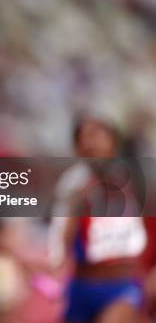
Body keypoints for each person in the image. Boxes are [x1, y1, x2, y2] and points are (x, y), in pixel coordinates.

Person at [50, 117, 147, 323]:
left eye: (99, 135)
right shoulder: (73, 185)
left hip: (120, 287)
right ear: (78, 149)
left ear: (113, 142)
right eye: (86, 138)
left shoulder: (134, 179)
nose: (93, 144)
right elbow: (59, 240)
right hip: (82, 287)